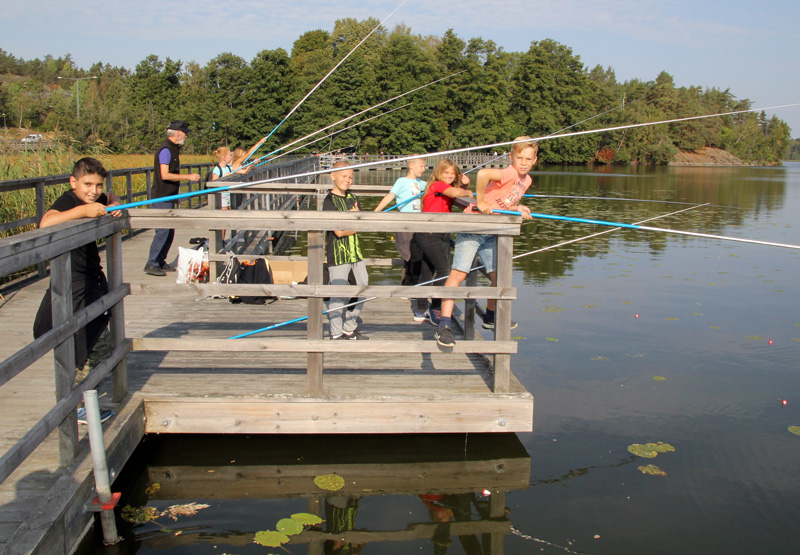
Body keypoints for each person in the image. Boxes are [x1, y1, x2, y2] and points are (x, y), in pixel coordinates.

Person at [32, 157, 122, 423]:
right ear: (74, 182)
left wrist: (114, 203)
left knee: (96, 342)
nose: (93, 191)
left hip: (91, 278)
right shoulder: (70, 201)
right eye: (87, 184)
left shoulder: (97, 196)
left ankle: (78, 401)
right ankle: (75, 406)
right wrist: (83, 211)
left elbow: (111, 195)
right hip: (72, 282)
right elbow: (46, 223)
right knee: (84, 344)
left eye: (97, 185)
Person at [434, 138, 539, 348]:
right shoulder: (509, 172)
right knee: (459, 274)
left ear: (535, 160)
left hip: (493, 230)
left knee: (499, 276)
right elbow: (483, 174)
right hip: (474, 226)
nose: (523, 162)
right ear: (511, 158)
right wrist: (480, 202)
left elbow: (507, 200)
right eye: (519, 158)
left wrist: (518, 208)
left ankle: (490, 316)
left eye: (528, 159)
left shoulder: (526, 181)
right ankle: (444, 324)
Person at [411, 159, 472, 325]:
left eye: (453, 174)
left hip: (435, 234)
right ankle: (435, 307)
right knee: (444, 270)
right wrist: (469, 192)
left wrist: (464, 185)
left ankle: (420, 309)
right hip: (429, 233)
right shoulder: (437, 185)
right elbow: (455, 194)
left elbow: (454, 191)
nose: (449, 176)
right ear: (439, 172)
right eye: (446, 173)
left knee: (427, 272)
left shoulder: (444, 187)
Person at [144, 120, 201, 276]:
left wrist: (175, 195)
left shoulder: (173, 149)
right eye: (185, 133)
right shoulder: (166, 150)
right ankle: (152, 263)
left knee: (169, 231)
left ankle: (161, 261)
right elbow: (165, 174)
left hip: (168, 196)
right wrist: (188, 177)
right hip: (161, 197)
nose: (186, 137)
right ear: (178, 133)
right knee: (162, 230)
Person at [373, 157, 427, 317]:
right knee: (408, 254)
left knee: (415, 255)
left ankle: (409, 287)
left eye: (424, 166)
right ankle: (409, 287)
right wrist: (376, 212)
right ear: (411, 165)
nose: (423, 169)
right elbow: (390, 196)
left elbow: (433, 188)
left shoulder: (421, 183)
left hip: (418, 223)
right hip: (404, 222)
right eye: (421, 166)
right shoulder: (401, 181)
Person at [323, 160, 369, 340]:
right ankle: (335, 333)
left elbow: (362, 220)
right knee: (338, 293)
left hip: (355, 252)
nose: (347, 180)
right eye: (343, 176)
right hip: (338, 253)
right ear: (333, 176)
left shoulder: (353, 198)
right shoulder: (329, 201)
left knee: (364, 288)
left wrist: (356, 222)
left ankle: (349, 327)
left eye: (350, 177)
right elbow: (339, 232)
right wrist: (356, 224)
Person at [207, 138, 266, 209]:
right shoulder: (217, 169)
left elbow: (244, 172)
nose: (231, 157)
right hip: (222, 197)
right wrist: (259, 142)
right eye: (229, 155)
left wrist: (252, 164)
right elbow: (213, 184)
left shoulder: (228, 168)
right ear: (224, 158)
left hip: (229, 195)